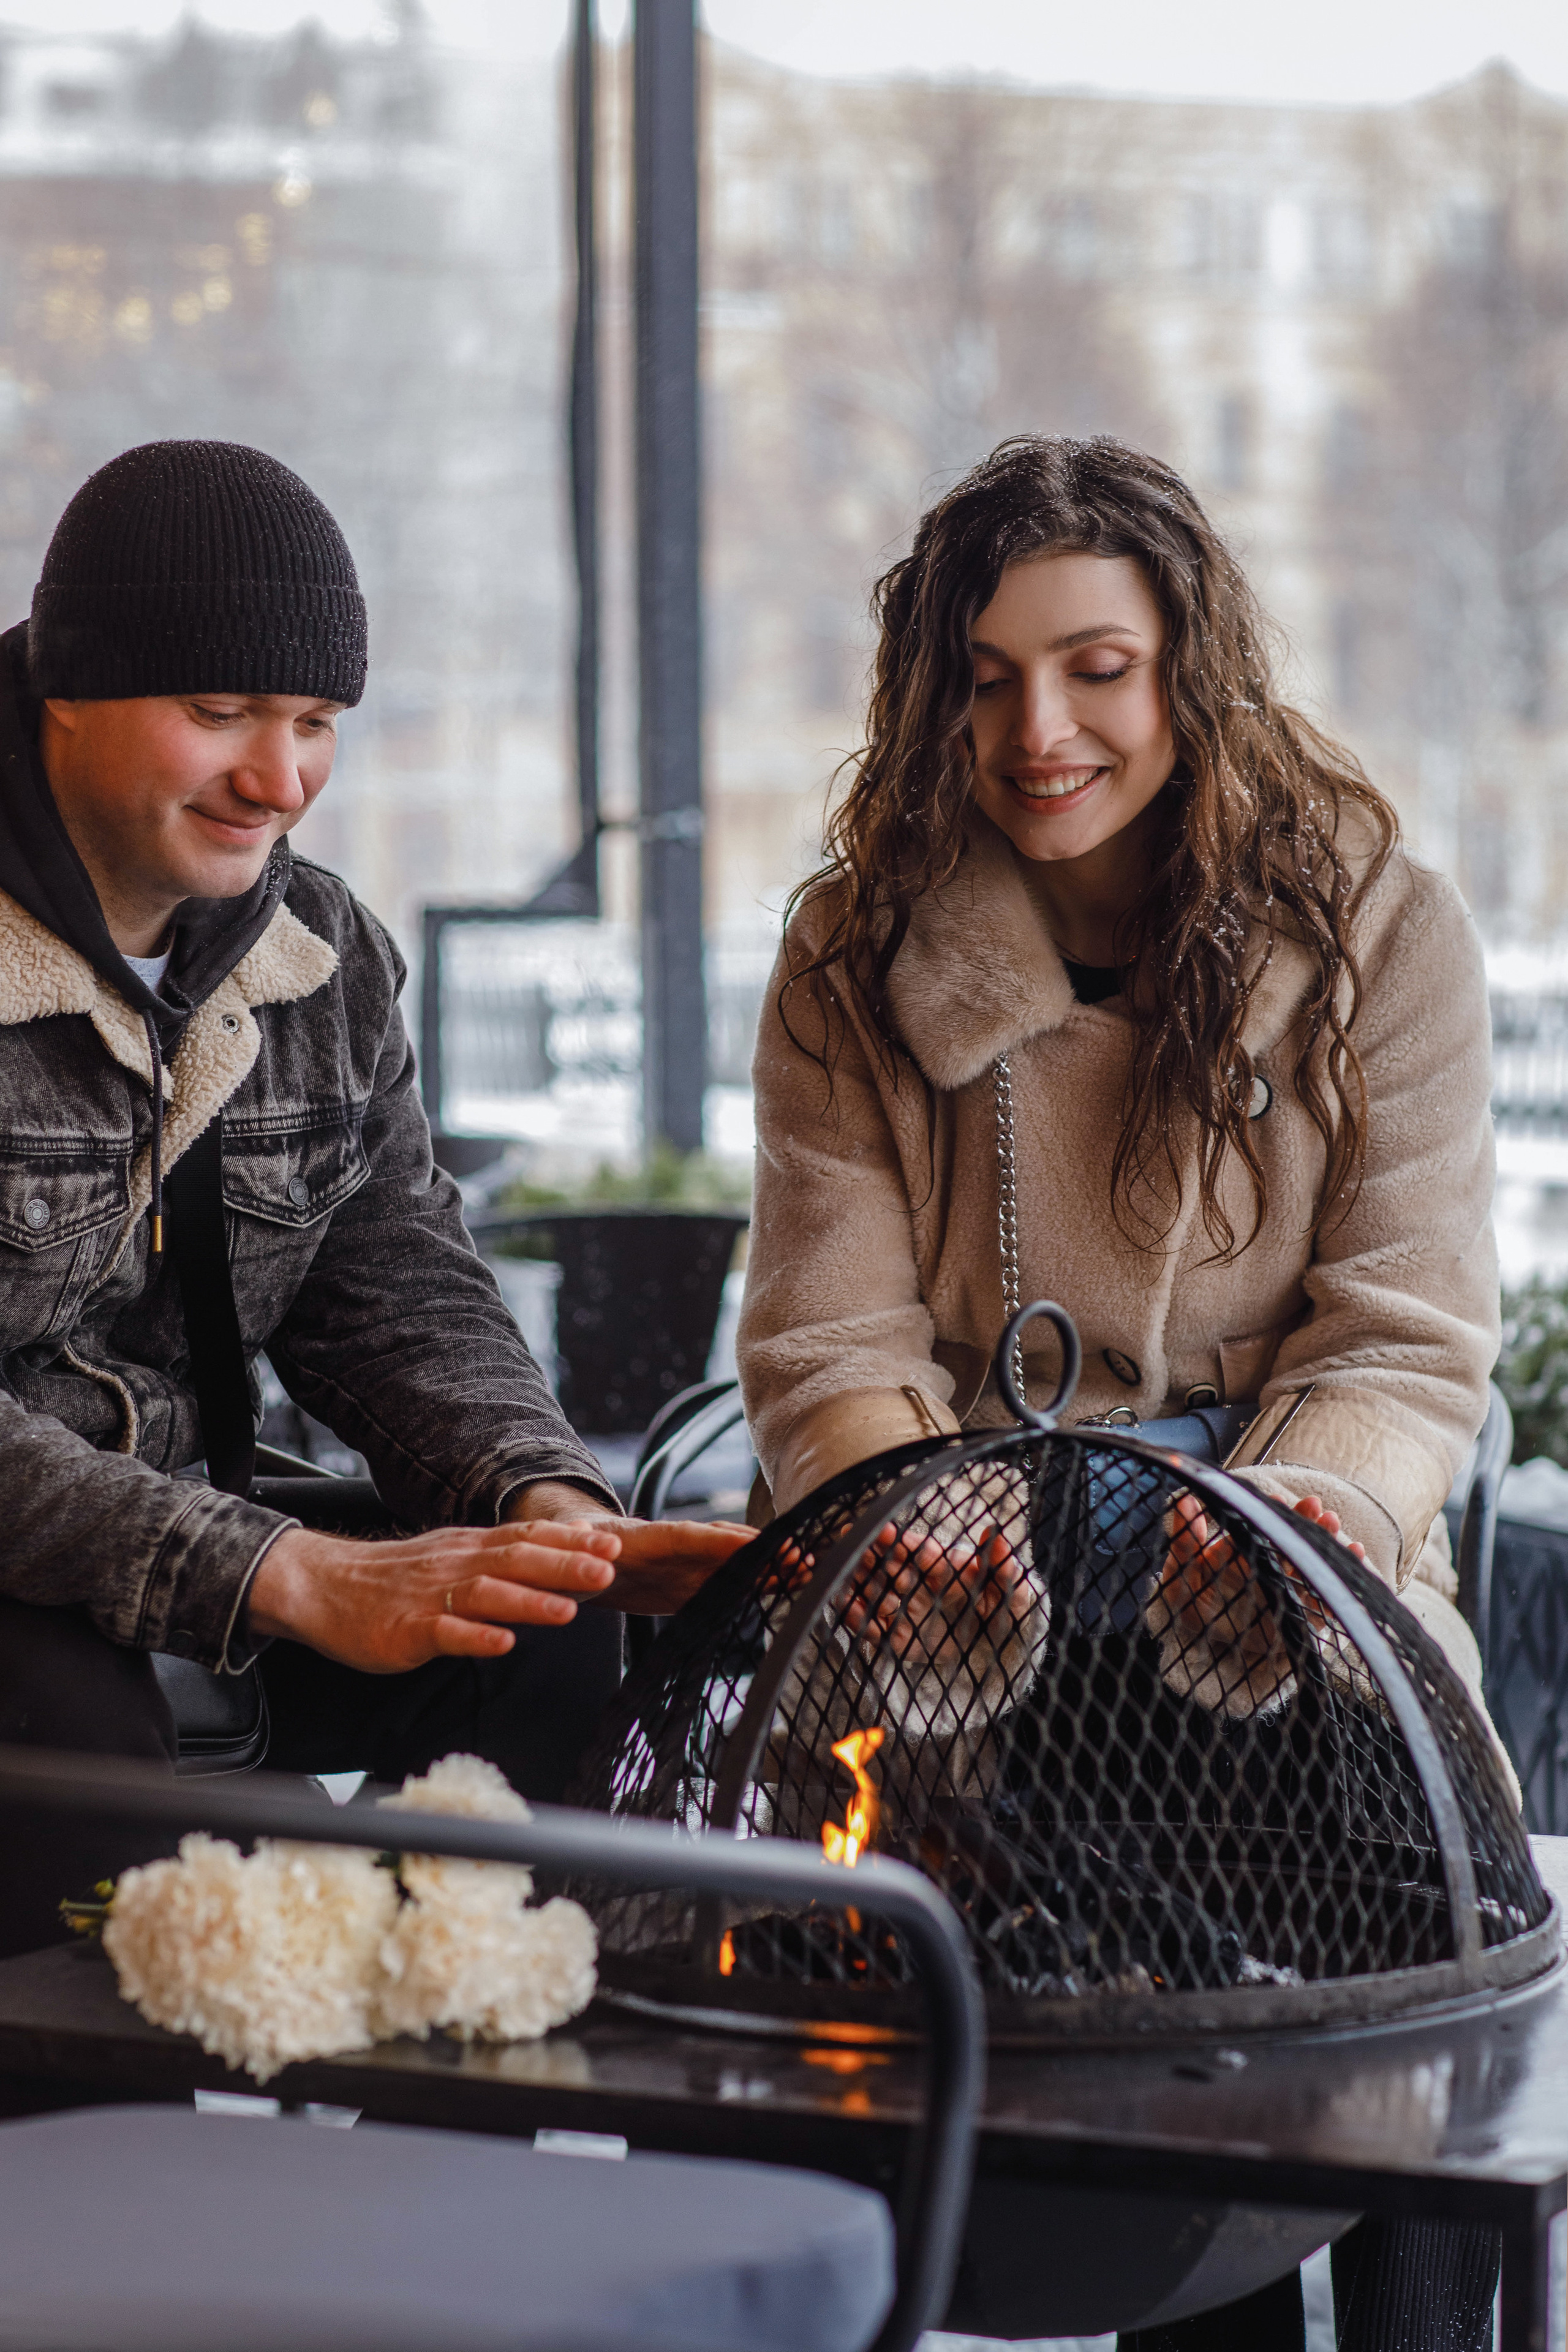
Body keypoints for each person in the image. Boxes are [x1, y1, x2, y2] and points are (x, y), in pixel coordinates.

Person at [736, 435, 1506, 2352]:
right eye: (984, 678)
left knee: (1421, 1888)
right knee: (1103, 1919)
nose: (1040, 729)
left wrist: (1308, 1515)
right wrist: (911, 1517)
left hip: (1283, 1542)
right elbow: (832, 1344)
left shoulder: (1379, 927)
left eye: (1096, 665)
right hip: (974, 1565)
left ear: (1189, 664)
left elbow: (1407, 1328)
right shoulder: (851, 957)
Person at [0, 439, 748, 1954]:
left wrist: (546, 1508)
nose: (279, 781)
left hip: (193, 1530)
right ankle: (146, 2145)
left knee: (540, 1630)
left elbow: (398, 1287)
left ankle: (425, 2056)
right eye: (217, 715)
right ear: (67, 687)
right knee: (81, 1765)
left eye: (315, 722)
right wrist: (283, 1572)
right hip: (36, 1583)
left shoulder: (321, 954)